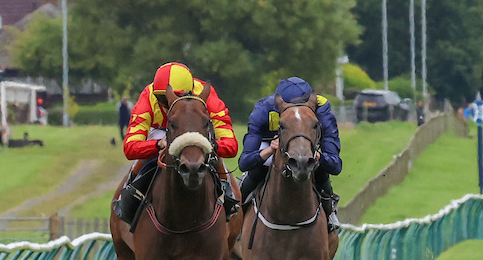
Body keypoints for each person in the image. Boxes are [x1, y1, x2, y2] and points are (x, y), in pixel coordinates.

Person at [113, 62, 238, 223]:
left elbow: (231, 146)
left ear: (190, 93)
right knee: (146, 153)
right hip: (161, 133)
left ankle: (228, 195)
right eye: (161, 99)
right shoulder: (148, 97)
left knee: (213, 152)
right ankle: (129, 194)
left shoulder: (207, 96)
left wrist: (210, 145)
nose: (166, 105)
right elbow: (130, 148)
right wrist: (157, 144)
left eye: (173, 99)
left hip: (196, 133)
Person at [238, 77, 342, 231]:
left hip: (308, 145)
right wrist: (269, 150)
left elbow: (335, 165)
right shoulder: (264, 108)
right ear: (279, 105)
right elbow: (244, 162)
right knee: (258, 169)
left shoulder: (322, 108)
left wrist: (319, 157)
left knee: (320, 170)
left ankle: (329, 213)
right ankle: (237, 212)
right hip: (271, 143)